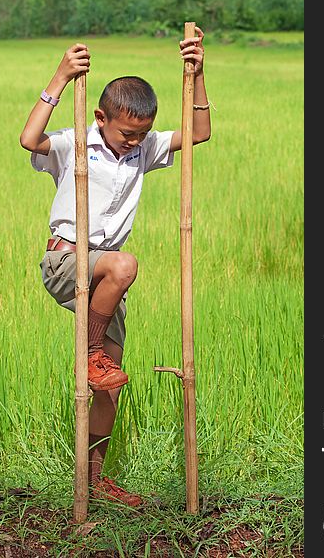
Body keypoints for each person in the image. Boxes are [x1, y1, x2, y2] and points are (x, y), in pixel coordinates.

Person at [20, 27, 211, 506]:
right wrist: (60, 79)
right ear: (101, 117)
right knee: (125, 264)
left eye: (142, 135)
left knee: (108, 387)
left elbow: (200, 132)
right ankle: (90, 352)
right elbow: (29, 138)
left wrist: (199, 72)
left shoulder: (143, 150)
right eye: (126, 133)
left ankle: (94, 479)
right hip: (66, 261)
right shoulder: (75, 142)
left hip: (104, 281)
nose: (134, 143)